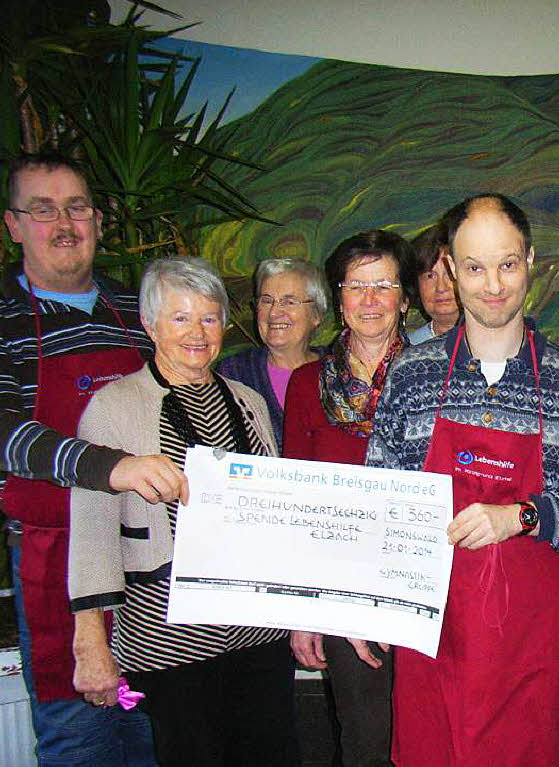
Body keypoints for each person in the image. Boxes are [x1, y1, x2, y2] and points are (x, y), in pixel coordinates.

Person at [364, 193, 559, 766]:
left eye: (507, 263)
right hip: (433, 638)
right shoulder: (413, 375)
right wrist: (372, 605)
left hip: (528, 652)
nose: (493, 285)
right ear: (452, 270)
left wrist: (523, 516)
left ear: (530, 260)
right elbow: (380, 497)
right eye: (476, 267)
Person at [68, 257, 299, 767]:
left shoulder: (247, 402)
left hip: (260, 638)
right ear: (150, 324)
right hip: (171, 645)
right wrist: (91, 642)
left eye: (210, 318)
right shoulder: (114, 407)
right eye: (180, 318)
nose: (197, 332)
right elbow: (91, 531)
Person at [1, 153, 187, 765]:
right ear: (13, 224)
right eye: (43, 209)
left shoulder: (138, 313)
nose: (63, 223)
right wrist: (110, 465)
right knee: (81, 735)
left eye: (76, 207)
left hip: (144, 560)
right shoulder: (3, 320)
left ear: (99, 221)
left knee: (150, 731)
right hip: (52, 558)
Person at [285, 229, 415, 767]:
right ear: (337, 298)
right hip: (342, 590)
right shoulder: (305, 384)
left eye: (382, 285)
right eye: (355, 286)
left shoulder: (439, 375)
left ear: (404, 299)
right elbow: (296, 503)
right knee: (365, 738)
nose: (368, 300)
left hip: (426, 585)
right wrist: (304, 611)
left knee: (432, 734)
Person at [218, 257, 329, 452]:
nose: (274, 312)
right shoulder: (234, 372)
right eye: (266, 300)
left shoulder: (340, 370)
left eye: (289, 302)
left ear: (316, 315)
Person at [407, 224, 460, 344]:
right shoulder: (406, 350)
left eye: (450, 274)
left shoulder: (501, 342)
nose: (441, 288)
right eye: (430, 276)